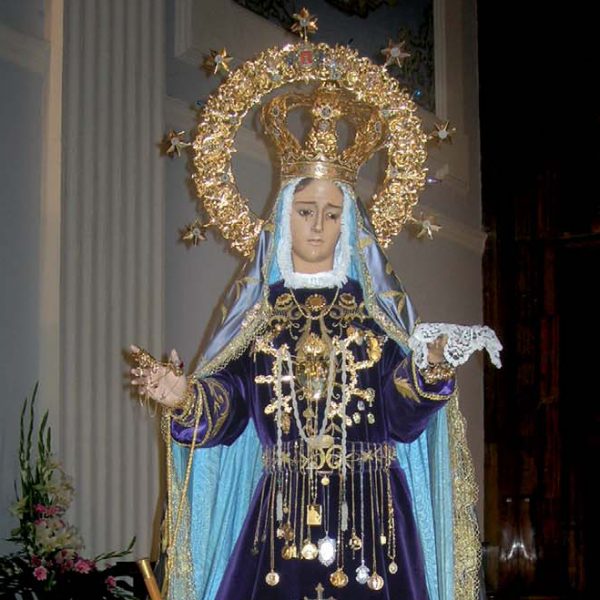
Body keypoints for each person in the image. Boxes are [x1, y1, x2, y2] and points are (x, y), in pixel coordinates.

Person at [130, 64, 499, 600]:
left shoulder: (374, 317)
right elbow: (231, 406)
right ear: (285, 217)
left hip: (374, 526)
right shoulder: (261, 319)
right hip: (279, 527)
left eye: (332, 214)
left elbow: (401, 415)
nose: (319, 227)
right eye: (306, 212)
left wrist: (429, 369)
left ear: (350, 223)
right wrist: (186, 396)